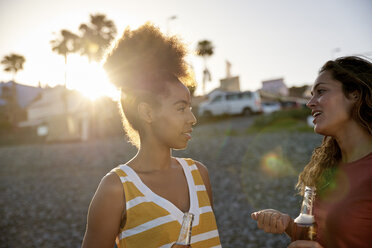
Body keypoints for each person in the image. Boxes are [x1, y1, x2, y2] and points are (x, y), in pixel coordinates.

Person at [81, 23, 221, 248]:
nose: (192, 119)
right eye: (181, 108)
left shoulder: (199, 175)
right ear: (147, 112)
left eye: (190, 108)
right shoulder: (116, 189)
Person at [251, 56, 372, 248]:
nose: (310, 103)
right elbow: (323, 236)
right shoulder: (327, 165)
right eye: (311, 94)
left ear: (355, 94)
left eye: (321, 92)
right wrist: (288, 225)